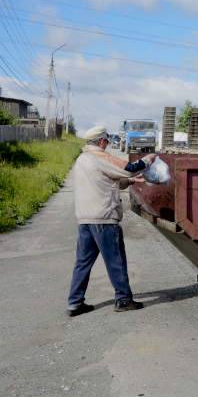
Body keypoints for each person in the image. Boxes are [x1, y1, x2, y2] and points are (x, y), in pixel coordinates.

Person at [67, 126, 156, 317]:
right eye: (106, 140)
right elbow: (130, 168)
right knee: (116, 260)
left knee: (82, 262)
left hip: (85, 219)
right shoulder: (100, 157)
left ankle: (75, 302)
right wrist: (148, 160)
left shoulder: (82, 159)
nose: (107, 144)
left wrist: (132, 182)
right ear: (101, 141)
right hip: (104, 218)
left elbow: (106, 179)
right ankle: (123, 299)